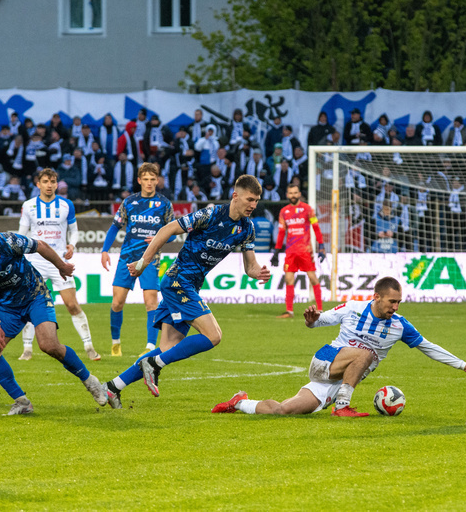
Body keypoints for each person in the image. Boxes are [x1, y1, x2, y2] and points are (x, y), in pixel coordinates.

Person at [211, 277, 466, 417]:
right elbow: (323, 320)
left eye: (398, 302)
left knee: (283, 411)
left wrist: (464, 365)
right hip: (326, 360)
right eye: (391, 301)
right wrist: (312, 320)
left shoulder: (401, 326)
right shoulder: (354, 308)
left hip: (337, 379)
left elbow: (429, 347)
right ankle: (343, 406)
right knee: (368, 353)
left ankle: (240, 402)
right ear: (377, 297)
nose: (396, 307)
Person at [103, 175, 270, 407]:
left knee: (165, 349)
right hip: (177, 282)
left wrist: (258, 273)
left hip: (188, 285)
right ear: (235, 196)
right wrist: (143, 263)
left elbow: (250, 266)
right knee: (214, 336)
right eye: (250, 199)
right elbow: (166, 230)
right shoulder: (210, 215)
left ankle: (112, 388)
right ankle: (154, 365)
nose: (253, 205)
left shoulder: (246, 228)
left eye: (257, 201)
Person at [0, 211, 108, 415]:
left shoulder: (5, 241)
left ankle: (91, 381)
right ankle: (22, 401)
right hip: (7, 306)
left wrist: (60, 266)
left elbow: (40, 246)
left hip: (35, 294)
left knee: (49, 345)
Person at [16, 169, 100, 362]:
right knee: (29, 304)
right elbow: (22, 233)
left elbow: (74, 231)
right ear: (38, 184)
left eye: (52, 181)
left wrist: (72, 244)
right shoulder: (28, 206)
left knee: (72, 304)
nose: (49, 185)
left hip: (59, 262)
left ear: (56, 184)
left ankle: (89, 347)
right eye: (45, 181)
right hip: (35, 261)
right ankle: (27, 349)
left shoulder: (66, 205)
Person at [101, 163, 174, 357]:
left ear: (157, 181)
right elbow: (115, 226)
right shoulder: (129, 202)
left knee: (151, 302)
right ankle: (115, 343)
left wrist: (161, 237)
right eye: (146, 179)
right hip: (128, 257)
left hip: (151, 259)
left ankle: (150, 346)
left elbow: (174, 233)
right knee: (117, 302)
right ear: (139, 180)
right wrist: (105, 250)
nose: (149, 183)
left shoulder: (164, 204)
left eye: (153, 179)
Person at [271, 184, 326, 318]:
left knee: (313, 277)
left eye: (295, 192)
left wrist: (322, 246)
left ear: (299, 194)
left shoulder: (307, 209)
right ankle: (289, 311)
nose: (293, 195)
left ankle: (320, 309)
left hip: (305, 251)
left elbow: (316, 228)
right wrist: (277, 251)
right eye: (290, 193)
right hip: (290, 251)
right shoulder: (284, 211)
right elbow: (281, 232)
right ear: (287, 195)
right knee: (289, 280)